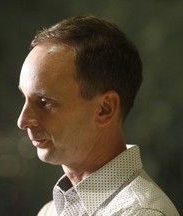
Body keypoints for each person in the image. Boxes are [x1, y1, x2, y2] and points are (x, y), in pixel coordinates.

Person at [17, 15, 179, 216]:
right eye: (24, 98)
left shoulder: (142, 213)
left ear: (105, 109)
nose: (22, 121)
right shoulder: (49, 211)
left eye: (44, 102)